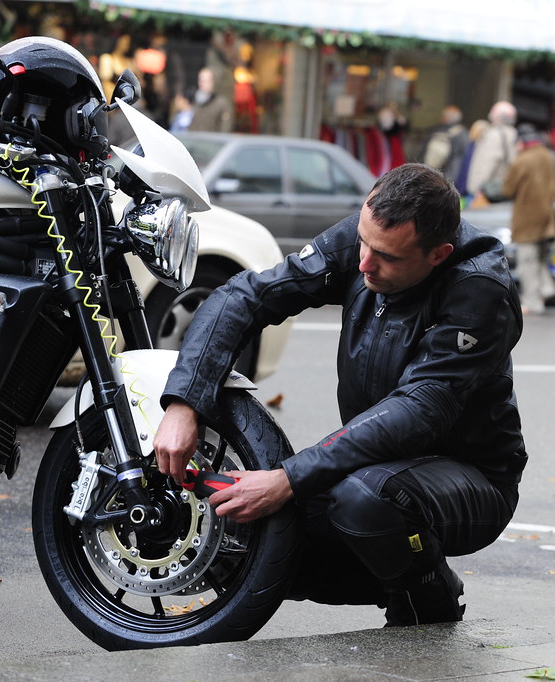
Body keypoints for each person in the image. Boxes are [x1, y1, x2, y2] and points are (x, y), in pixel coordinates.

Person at [153, 163, 526, 627]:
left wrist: (287, 478)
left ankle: (425, 596)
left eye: (386, 257)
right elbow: (242, 297)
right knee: (240, 540)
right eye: (364, 243)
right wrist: (185, 402)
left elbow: (418, 410)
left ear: (437, 255)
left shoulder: (479, 290)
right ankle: (393, 571)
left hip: (473, 480)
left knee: (363, 500)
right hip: (374, 461)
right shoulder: (369, 235)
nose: (364, 263)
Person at [502, 124, 555, 315]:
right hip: (551, 220)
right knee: (540, 257)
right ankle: (547, 289)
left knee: (527, 261)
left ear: (522, 143)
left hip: (528, 219)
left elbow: (507, 189)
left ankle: (533, 302)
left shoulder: (522, 160)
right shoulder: (552, 157)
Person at [466, 101, 518, 204]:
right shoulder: (513, 134)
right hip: (501, 192)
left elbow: (486, 164)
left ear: (497, 116)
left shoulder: (494, 135)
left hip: (486, 193)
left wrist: (475, 189)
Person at [421, 105, 469, 183]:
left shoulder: (434, 130)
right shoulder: (461, 133)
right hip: (451, 172)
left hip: (431, 171)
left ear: (444, 117)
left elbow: (423, 150)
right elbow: (464, 151)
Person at [186, 67, 233, 132]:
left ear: (213, 82)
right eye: (201, 80)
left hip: (212, 140)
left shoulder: (221, 103)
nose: (202, 83)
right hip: (195, 140)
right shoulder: (193, 102)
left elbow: (225, 128)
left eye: (206, 81)